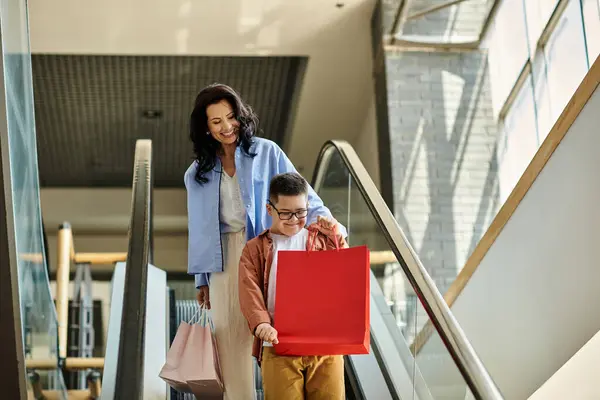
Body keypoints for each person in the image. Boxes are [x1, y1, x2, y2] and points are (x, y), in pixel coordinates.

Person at [185, 83, 346, 400]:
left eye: (231, 117)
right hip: (224, 258)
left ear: (240, 116)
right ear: (205, 128)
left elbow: (302, 195)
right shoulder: (196, 174)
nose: (227, 127)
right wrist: (202, 279)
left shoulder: (267, 152)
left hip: (269, 251)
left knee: (278, 335)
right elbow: (199, 228)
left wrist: (326, 220)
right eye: (216, 122)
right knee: (230, 343)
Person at [238, 172, 346, 400]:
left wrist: (336, 237)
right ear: (270, 210)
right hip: (277, 343)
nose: (295, 219)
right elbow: (250, 292)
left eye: (301, 212)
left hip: (324, 345)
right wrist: (261, 325)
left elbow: (346, 274)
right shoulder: (254, 249)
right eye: (286, 213)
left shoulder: (322, 239)